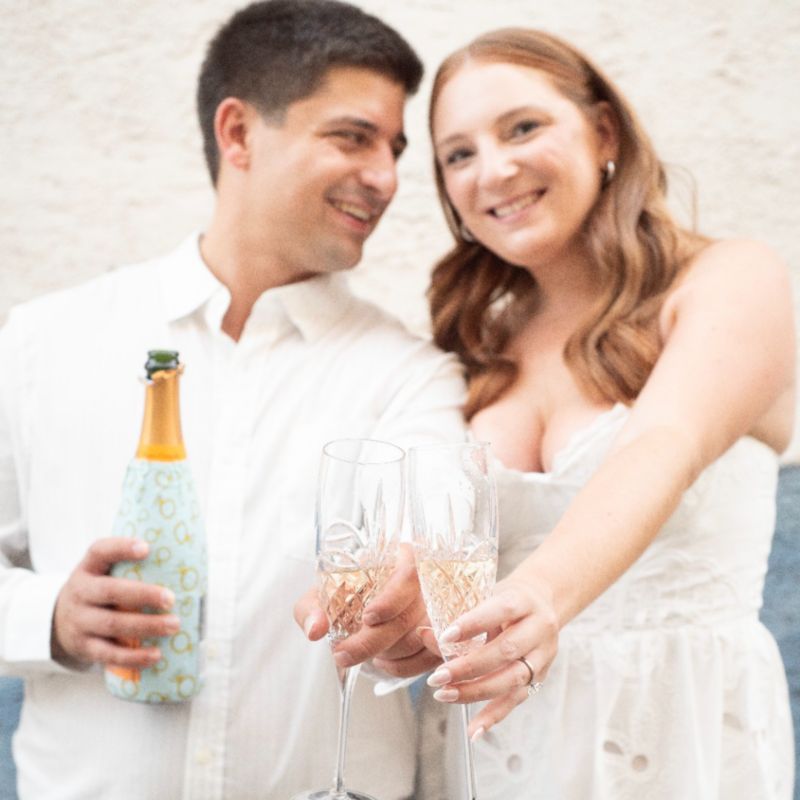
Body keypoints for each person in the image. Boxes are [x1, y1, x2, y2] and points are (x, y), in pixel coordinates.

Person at [0, 2, 465, 798]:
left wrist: (415, 601)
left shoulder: (410, 376)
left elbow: (439, 531)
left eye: (394, 149)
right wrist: (51, 617)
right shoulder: (45, 341)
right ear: (239, 132)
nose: (387, 178)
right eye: (353, 137)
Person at [399, 27, 794, 799]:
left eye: (522, 128)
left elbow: (666, 441)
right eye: (459, 154)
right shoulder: (476, 343)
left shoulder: (730, 279)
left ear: (604, 131)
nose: (494, 170)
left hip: (674, 737)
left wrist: (542, 597)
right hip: (491, 749)